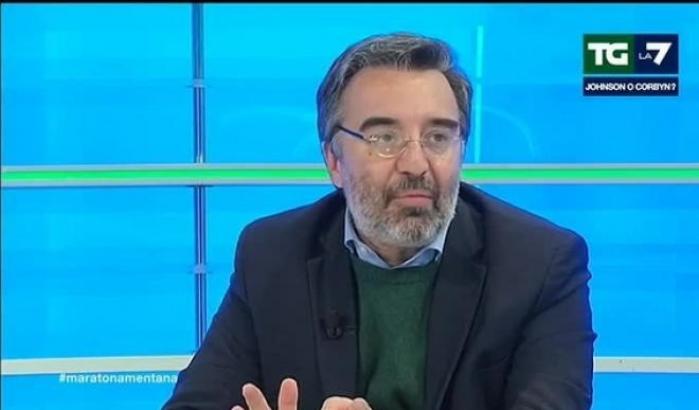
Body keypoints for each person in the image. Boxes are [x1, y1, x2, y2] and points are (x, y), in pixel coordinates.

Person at [163, 32, 596, 410]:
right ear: (334, 160)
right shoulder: (273, 254)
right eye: (384, 137)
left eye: (438, 137)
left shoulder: (540, 263)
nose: (416, 164)